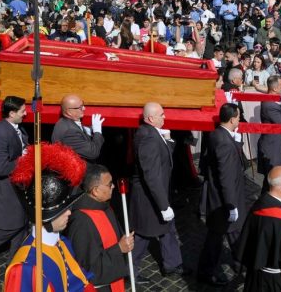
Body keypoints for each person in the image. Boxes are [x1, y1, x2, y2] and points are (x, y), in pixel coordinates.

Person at [3, 142, 93, 291]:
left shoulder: (62, 242)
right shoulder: (25, 269)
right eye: (62, 210)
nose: (69, 213)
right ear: (46, 216)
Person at [129, 102, 184, 276]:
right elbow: (151, 174)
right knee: (144, 234)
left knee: (167, 229)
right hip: (149, 197)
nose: (164, 117)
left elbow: (162, 157)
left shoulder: (151, 133)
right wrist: (163, 205)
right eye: (161, 114)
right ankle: (128, 270)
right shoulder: (148, 137)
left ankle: (172, 264)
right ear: (151, 118)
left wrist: (167, 141)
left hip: (157, 194)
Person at [197, 103, 247, 286]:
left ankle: (240, 264)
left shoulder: (218, 134)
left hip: (220, 199)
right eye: (239, 116)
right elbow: (226, 177)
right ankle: (207, 272)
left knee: (228, 234)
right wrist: (231, 205)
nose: (240, 119)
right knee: (218, 238)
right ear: (233, 118)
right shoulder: (225, 143)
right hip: (224, 201)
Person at [62, 164, 134, 292]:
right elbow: (89, 268)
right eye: (109, 184)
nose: (113, 186)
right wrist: (119, 248)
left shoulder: (103, 206)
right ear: (95, 191)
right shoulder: (81, 221)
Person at [0, 96, 30, 263]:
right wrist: (23, 158)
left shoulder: (16, 127)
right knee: (11, 227)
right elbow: (2, 168)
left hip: (18, 186)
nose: (26, 114)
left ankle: (15, 264)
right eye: (22, 111)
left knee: (22, 226)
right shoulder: (0, 133)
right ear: (11, 113)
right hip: (6, 189)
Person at [51, 93, 104, 163]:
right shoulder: (70, 132)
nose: (84, 108)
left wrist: (86, 130)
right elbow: (93, 153)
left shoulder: (65, 121)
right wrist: (97, 132)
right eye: (80, 107)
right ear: (69, 112)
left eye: (83, 105)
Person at [256, 75, 281, 175]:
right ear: (275, 88)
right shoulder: (269, 105)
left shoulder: (270, 99)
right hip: (272, 147)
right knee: (273, 177)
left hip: (275, 143)